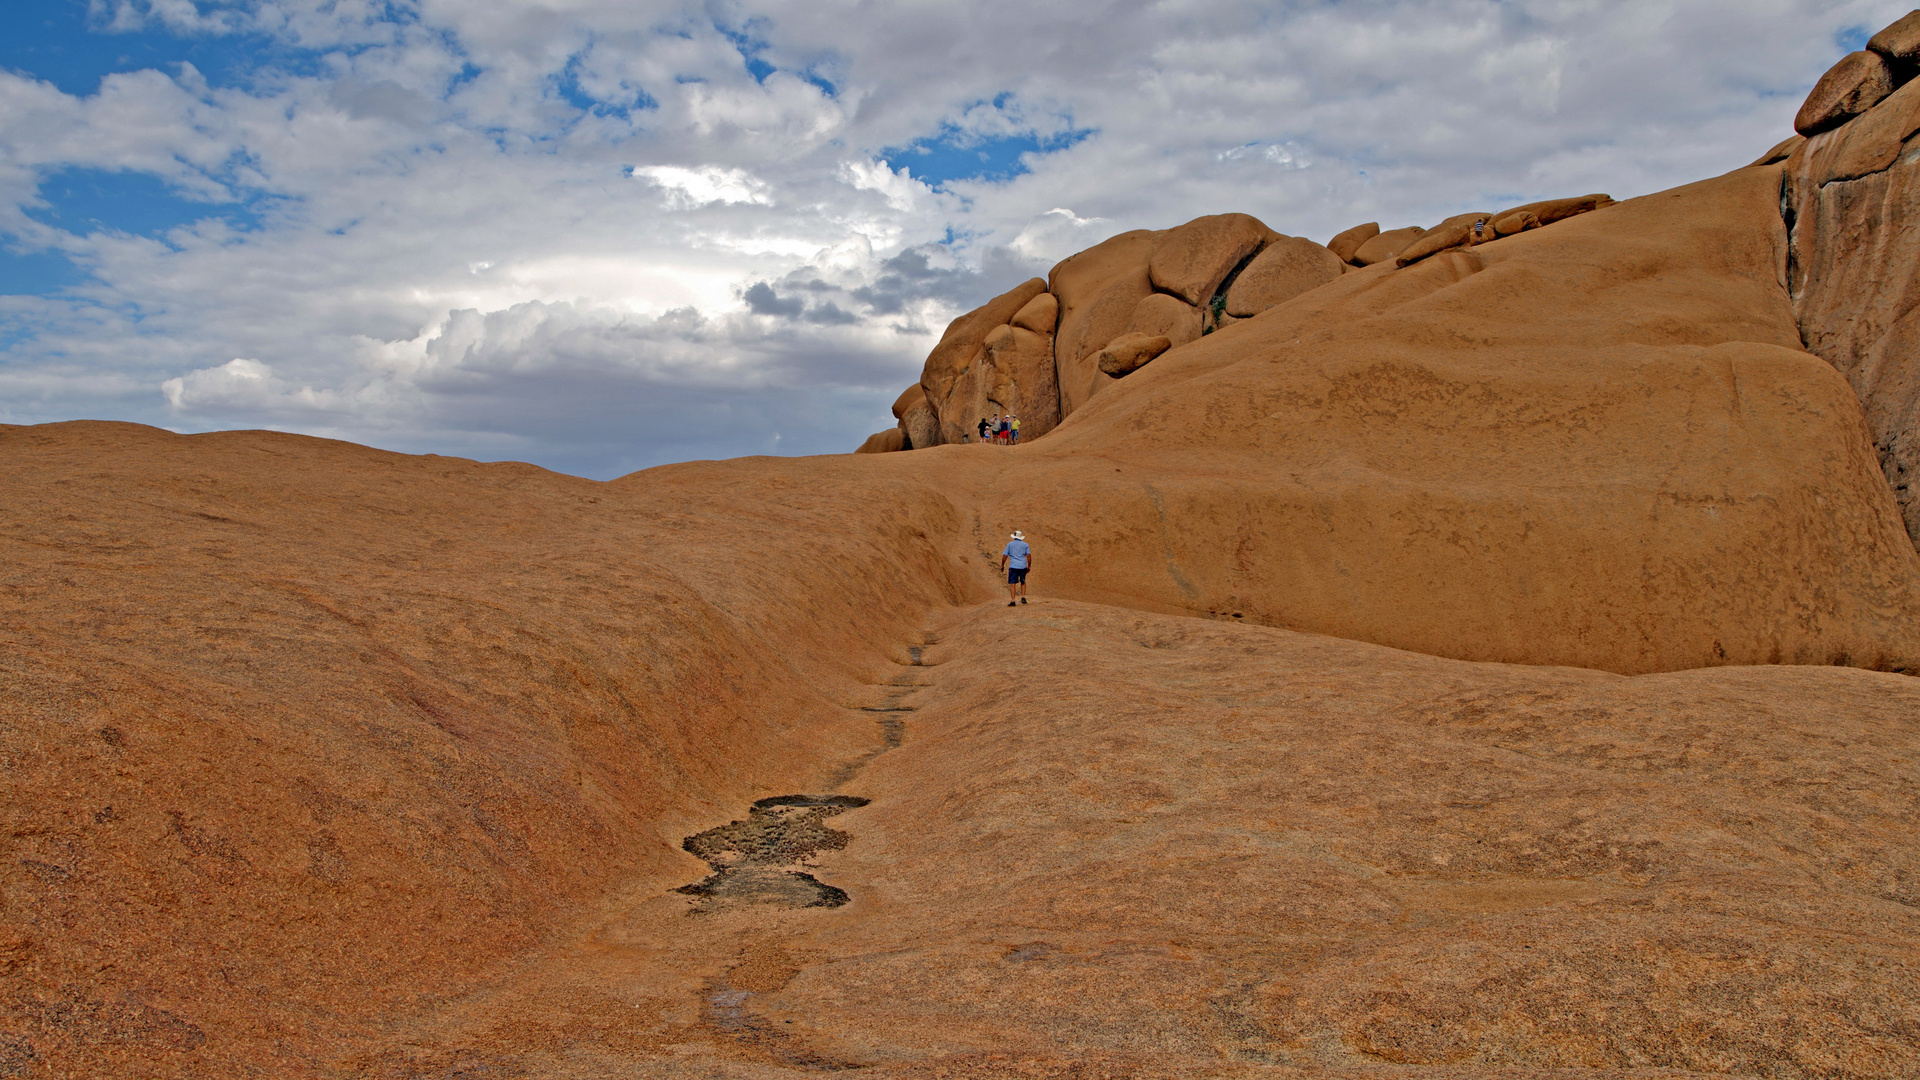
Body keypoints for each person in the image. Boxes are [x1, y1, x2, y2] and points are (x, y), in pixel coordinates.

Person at [1000, 530, 1031, 606]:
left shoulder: (1010, 545)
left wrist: (1002, 565)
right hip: (1022, 565)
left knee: (1012, 583)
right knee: (1023, 581)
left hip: (1013, 566)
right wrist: (1029, 566)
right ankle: (1023, 597)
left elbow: (1005, 555)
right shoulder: (1025, 545)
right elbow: (1029, 556)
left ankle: (1013, 600)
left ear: (1014, 537)